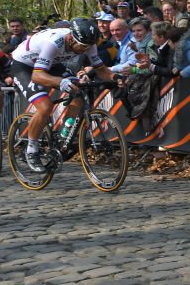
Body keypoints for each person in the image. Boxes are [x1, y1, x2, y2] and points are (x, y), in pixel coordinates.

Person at [9, 18, 118, 173]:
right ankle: (31, 150)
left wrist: (117, 78)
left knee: (78, 93)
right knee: (45, 106)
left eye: (87, 47)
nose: (83, 50)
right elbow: (37, 76)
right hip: (24, 66)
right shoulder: (53, 43)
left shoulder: (88, 43)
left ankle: (64, 134)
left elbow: (101, 70)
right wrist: (61, 82)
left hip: (51, 64)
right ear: (71, 38)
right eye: (81, 46)